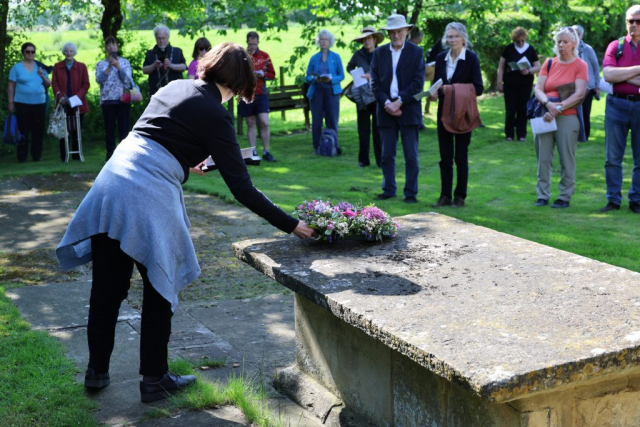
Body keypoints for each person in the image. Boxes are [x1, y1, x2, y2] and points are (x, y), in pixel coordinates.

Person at [56, 42, 316, 403]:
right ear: (241, 81)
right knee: (160, 286)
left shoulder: (174, 86)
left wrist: (184, 162)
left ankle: (96, 372)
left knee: (107, 290)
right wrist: (293, 225)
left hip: (111, 183)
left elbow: (155, 135)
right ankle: (153, 380)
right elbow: (242, 188)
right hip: (144, 194)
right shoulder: (216, 113)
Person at [371, 14, 425, 203]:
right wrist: (388, 103)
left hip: (408, 109)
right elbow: (375, 83)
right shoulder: (379, 53)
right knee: (386, 155)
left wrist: (400, 101)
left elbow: (418, 83)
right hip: (385, 109)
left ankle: (411, 193)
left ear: (406, 31)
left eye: (399, 31)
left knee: (411, 155)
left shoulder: (416, 52)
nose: (396, 35)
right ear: (387, 33)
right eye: (392, 32)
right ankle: (388, 189)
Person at [533, 27, 587, 209]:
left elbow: (579, 94)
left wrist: (557, 109)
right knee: (543, 158)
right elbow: (538, 88)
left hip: (567, 117)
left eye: (565, 41)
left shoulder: (580, 65)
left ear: (574, 44)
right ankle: (542, 195)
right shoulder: (549, 63)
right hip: (545, 115)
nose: (562, 45)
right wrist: (547, 103)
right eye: (559, 42)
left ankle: (564, 196)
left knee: (566, 158)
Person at [430, 23, 483, 208]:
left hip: (463, 113)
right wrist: (434, 92)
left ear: (463, 38)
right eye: (449, 37)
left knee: (460, 156)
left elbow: (478, 88)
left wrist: (452, 89)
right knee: (445, 157)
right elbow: (438, 83)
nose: (452, 40)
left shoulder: (471, 58)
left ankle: (460, 197)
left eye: (455, 36)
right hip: (443, 112)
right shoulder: (440, 58)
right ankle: (444, 196)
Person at [600, 5, 640, 214]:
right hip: (617, 105)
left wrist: (621, 74)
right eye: (630, 21)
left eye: (638, 21)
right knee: (612, 157)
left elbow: (615, 75)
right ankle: (613, 200)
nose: (633, 25)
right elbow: (608, 75)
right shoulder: (615, 46)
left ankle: (637, 200)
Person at [347, 27, 384, 168]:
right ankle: (363, 160)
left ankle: (380, 160)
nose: (367, 41)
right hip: (362, 96)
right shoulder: (358, 54)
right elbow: (349, 67)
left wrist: (373, 75)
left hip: (377, 95)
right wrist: (358, 74)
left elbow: (387, 70)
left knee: (378, 129)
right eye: (364, 39)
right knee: (363, 130)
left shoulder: (381, 53)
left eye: (369, 38)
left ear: (375, 39)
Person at [237, 31, 277, 162]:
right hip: (246, 93)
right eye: (250, 44)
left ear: (258, 42)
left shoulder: (265, 56)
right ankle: (252, 151)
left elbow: (272, 74)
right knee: (250, 122)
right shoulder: (241, 56)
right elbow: (236, 73)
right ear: (247, 42)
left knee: (264, 122)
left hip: (261, 93)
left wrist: (263, 74)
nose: (252, 46)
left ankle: (266, 151)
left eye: (254, 44)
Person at [7, 42, 50, 162]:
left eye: (32, 51)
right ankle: (22, 157)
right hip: (22, 103)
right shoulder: (17, 67)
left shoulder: (40, 67)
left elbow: (48, 85)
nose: (30, 54)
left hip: (39, 103)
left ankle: (37, 156)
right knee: (23, 130)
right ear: (23, 53)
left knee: (38, 130)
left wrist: (42, 76)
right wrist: (11, 102)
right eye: (28, 51)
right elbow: (11, 86)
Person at [497, 27, 541, 142]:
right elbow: (501, 66)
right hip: (510, 83)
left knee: (523, 108)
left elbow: (538, 66)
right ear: (514, 40)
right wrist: (499, 82)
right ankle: (509, 134)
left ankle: (522, 134)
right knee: (510, 108)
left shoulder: (530, 49)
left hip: (525, 83)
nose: (521, 43)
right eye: (518, 41)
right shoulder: (508, 49)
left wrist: (529, 71)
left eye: (522, 40)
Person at [306, 29, 345, 152]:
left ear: (330, 42)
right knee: (316, 120)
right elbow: (307, 76)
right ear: (319, 41)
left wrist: (331, 79)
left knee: (332, 119)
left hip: (331, 91)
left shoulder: (336, 57)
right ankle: (317, 146)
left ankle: (333, 144)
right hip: (317, 91)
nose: (324, 41)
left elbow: (341, 75)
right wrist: (314, 80)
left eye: (326, 39)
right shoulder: (314, 58)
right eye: (321, 39)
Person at [96, 36, 133, 161]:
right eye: (109, 45)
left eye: (114, 44)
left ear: (117, 47)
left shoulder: (125, 63)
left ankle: (125, 154)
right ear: (106, 48)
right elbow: (99, 80)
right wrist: (109, 67)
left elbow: (127, 80)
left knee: (124, 128)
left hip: (123, 99)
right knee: (109, 129)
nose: (111, 47)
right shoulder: (101, 64)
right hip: (108, 101)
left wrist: (118, 67)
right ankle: (110, 153)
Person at [51, 42, 90, 161]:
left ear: (74, 52)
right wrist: (60, 97)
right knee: (64, 131)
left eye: (71, 51)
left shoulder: (81, 66)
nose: (69, 53)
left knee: (76, 130)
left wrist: (76, 98)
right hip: (63, 102)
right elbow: (55, 83)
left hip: (77, 103)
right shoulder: (57, 66)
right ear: (64, 52)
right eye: (67, 51)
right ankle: (64, 156)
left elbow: (86, 84)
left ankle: (77, 156)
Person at [572, 25, 600, 141]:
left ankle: (585, 135)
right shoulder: (569, 48)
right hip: (571, 87)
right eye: (574, 32)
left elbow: (595, 67)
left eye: (578, 33)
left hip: (588, 86)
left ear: (582, 35)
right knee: (573, 113)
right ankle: (574, 134)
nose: (576, 35)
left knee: (585, 111)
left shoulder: (588, 49)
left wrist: (597, 86)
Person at [142, 25, 187, 97]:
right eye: (158, 38)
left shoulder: (177, 51)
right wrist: (154, 66)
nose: (161, 41)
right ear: (155, 38)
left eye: (163, 38)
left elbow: (184, 67)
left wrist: (171, 65)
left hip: (176, 92)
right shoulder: (150, 53)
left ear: (168, 37)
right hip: (156, 93)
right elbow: (144, 70)